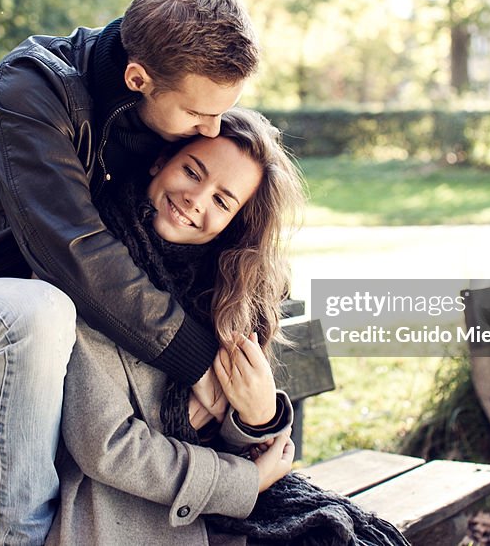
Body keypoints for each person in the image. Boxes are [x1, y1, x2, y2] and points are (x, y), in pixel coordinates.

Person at [0, 0, 259, 545]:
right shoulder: (28, 91)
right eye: (199, 113)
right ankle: (19, 540)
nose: (211, 128)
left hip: (49, 352)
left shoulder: (147, 112)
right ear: (138, 77)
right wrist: (200, 362)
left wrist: (248, 391)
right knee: (38, 311)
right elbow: (75, 255)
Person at [46, 108, 411, 546]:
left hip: (209, 516)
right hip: (120, 521)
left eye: (222, 200)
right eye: (191, 172)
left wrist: (257, 417)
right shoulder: (92, 266)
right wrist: (245, 481)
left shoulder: (223, 290)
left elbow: (242, 436)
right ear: (161, 161)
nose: (196, 200)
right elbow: (106, 445)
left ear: (233, 221)